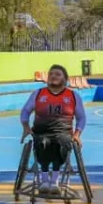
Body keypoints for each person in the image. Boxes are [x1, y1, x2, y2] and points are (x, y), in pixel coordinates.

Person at [19, 64, 87, 195]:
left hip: (63, 132)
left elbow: (81, 118)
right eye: (51, 74)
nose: (53, 76)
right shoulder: (38, 94)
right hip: (41, 132)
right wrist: (26, 127)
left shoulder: (73, 96)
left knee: (61, 144)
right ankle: (44, 181)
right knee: (44, 143)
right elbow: (25, 111)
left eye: (57, 74)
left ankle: (54, 181)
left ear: (65, 78)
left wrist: (77, 134)